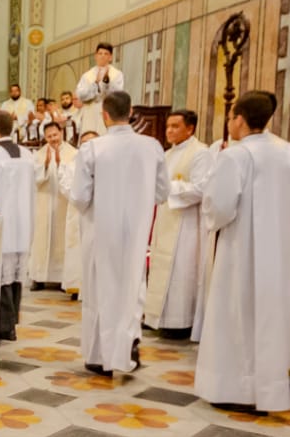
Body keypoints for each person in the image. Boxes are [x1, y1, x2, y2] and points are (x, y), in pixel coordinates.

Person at [195, 91, 290, 412]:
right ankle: (265, 391)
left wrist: (211, 211)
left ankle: (234, 390)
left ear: (239, 118)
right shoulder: (287, 152)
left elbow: (220, 206)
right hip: (276, 249)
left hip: (240, 247)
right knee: (266, 317)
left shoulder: (234, 156)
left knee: (234, 313)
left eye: (230, 117)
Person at [69, 90, 168, 375]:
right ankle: (128, 347)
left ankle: (100, 356)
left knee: (100, 289)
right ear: (131, 111)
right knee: (132, 288)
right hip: (136, 232)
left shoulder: (93, 148)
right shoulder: (152, 146)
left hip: (99, 230)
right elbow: (162, 193)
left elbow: (79, 196)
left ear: (104, 114)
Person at [144, 109, 212, 337]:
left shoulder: (201, 153)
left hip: (187, 224)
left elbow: (202, 188)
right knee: (161, 267)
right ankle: (158, 316)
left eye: (175, 126)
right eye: (168, 126)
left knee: (182, 271)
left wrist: (169, 188)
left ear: (190, 128)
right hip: (166, 218)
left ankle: (180, 321)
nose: (169, 131)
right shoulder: (167, 154)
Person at [0, 110, 36, 340]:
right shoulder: (28, 154)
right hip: (23, 221)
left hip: (0, 221)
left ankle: (3, 326)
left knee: (2, 273)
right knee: (14, 273)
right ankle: (11, 324)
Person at [30, 120, 76, 288]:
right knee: (41, 237)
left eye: (55, 135)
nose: (53, 139)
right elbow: (35, 178)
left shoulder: (73, 153)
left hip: (63, 203)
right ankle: (39, 276)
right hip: (44, 202)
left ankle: (60, 278)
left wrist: (59, 163)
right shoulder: (39, 154)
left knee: (61, 237)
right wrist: (46, 165)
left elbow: (73, 177)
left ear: (61, 133)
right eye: (49, 136)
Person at [59, 130, 99, 297]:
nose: (87, 146)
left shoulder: (105, 162)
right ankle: (76, 286)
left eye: (91, 142)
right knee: (76, 250)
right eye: (84, 143)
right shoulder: (72, 163)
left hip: (98, 213)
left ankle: (93, 288)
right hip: (77, 210)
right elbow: (64, 184)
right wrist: (81, 197)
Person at [74, 42, 125, 136]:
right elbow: (81, 95)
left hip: (108, 113)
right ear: (96, 56)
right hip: (90, 113)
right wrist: (96, 83)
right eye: (100, 53)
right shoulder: (87, 75)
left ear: (110, 57)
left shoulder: (117, 74)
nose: (102, 56)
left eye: (106, 54)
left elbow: (118, 95)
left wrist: (106, 83)